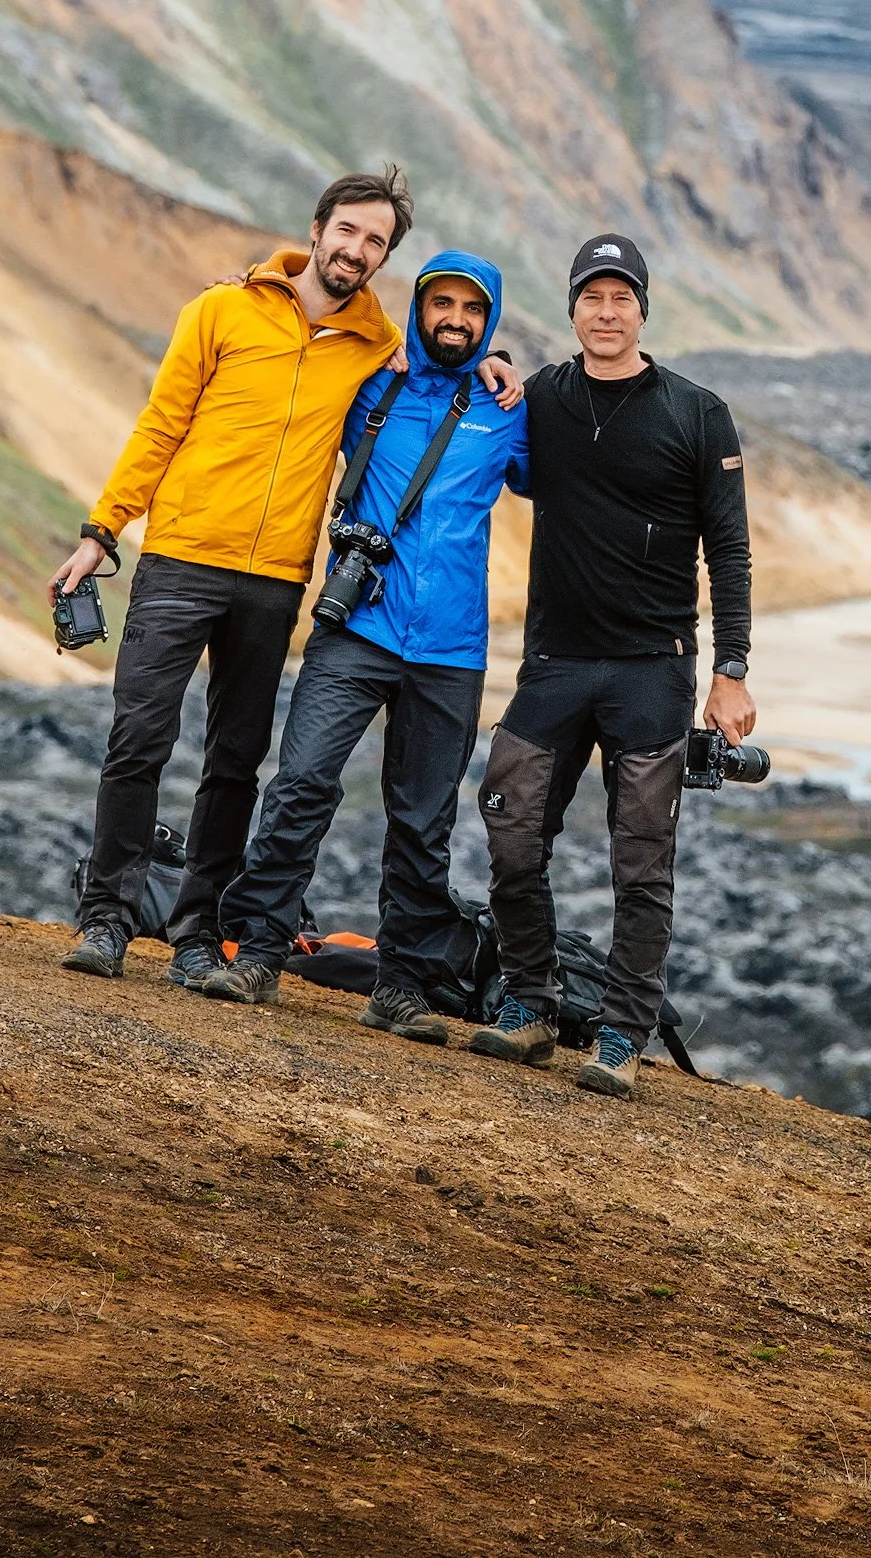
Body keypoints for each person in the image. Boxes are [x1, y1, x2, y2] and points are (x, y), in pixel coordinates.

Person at [51, 167, 517, 985]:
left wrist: (493, 360)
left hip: (274, 580)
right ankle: (106, 919)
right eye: (348, 232)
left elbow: (446, 370)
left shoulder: (378, 348)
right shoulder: (220, 309)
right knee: (138, 743)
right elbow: (160, 425)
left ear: (383, 260)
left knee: (236, 760)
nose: (357, 250)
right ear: (316, 229)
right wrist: (101, 531)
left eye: (375, 242)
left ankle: (198, 931)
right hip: (182, 557)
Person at [203, 251, 529, 1039]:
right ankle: (258, 953)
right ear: (418, 310)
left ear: (489, 322)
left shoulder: (509, 408)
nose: (454, 319)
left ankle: (402, 987)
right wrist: (242, 290)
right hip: (357, 627)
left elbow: (573, 479)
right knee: (302, 783)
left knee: (422, 821)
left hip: (450, 648)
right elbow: (297, 355)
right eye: (440, 304)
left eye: (471, 310)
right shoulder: (368, 384)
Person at [469, 233, 757, 1099]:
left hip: (652, 669)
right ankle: (528, 1004)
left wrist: (730, 668)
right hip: (555, 661)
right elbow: (467, 389)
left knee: (641, 862)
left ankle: (622, 1034)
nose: (605, 312)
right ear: (572, 309)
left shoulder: (694, 412)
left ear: (641, 309)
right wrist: (494, 361)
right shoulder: (543, 398)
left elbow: (730, 551)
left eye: (620, 298)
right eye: (590, 298)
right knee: (512, 833)